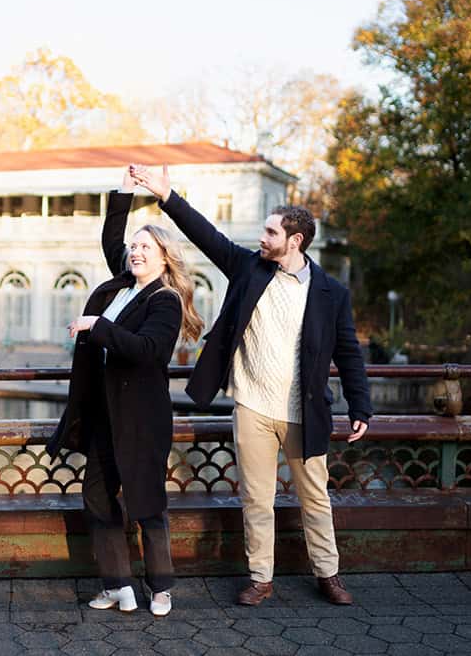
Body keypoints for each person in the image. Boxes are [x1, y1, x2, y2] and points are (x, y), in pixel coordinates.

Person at [129, 164, 372, 606]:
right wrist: (167, 195)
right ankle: (261, 578)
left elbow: (348, 354)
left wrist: (361, 407)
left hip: (305, 410)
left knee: (315, 499)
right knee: (255, 500)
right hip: (253, 407)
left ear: (294, 241)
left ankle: (328, 574)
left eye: (270, 232)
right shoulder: (248, 268)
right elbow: (208, 236)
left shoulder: (330, 292)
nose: (261, 238)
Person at [47, 166, 203, 617]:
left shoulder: (164, 300)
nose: (134, 251)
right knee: (96, 498)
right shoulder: (122, 284)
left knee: (146, 503)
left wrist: (98, 327)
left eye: (145, 248)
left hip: (140, 419)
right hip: (102, 415)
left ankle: (160, 587)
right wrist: (125, 191)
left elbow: (149, 351)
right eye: (133, 247)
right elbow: (111, 235)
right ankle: (119, 585)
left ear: (164, 259)